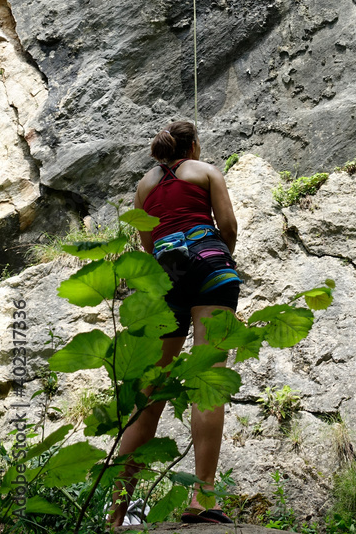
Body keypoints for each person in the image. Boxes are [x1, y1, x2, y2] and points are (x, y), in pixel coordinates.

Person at [109, 121, 240, 529]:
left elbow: (148, 246)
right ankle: (202, 498)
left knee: (148, 396)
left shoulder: (144, 187)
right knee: (207, 377)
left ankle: (113, 513)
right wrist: (219, 257)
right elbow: (228, 224)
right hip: (209, 261)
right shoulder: (206, 171)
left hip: (166, 275)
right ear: (194, 146)